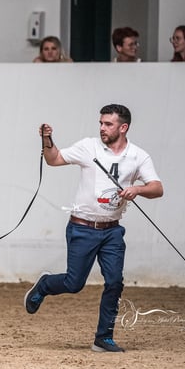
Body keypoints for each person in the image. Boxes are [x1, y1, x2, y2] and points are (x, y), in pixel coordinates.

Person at [26, 104, 164, 353]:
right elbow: (54, 159)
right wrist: (47, 139)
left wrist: (138, 189)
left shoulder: (138, 156)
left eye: (108, 124)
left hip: (112, 231)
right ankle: (45, 285)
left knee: (114, 282)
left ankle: (103, 337)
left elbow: (157, 188)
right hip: (83, 227)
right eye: (101, 123)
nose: (102, 128)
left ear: (123, 128)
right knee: (74, 283)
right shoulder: (88, 147)